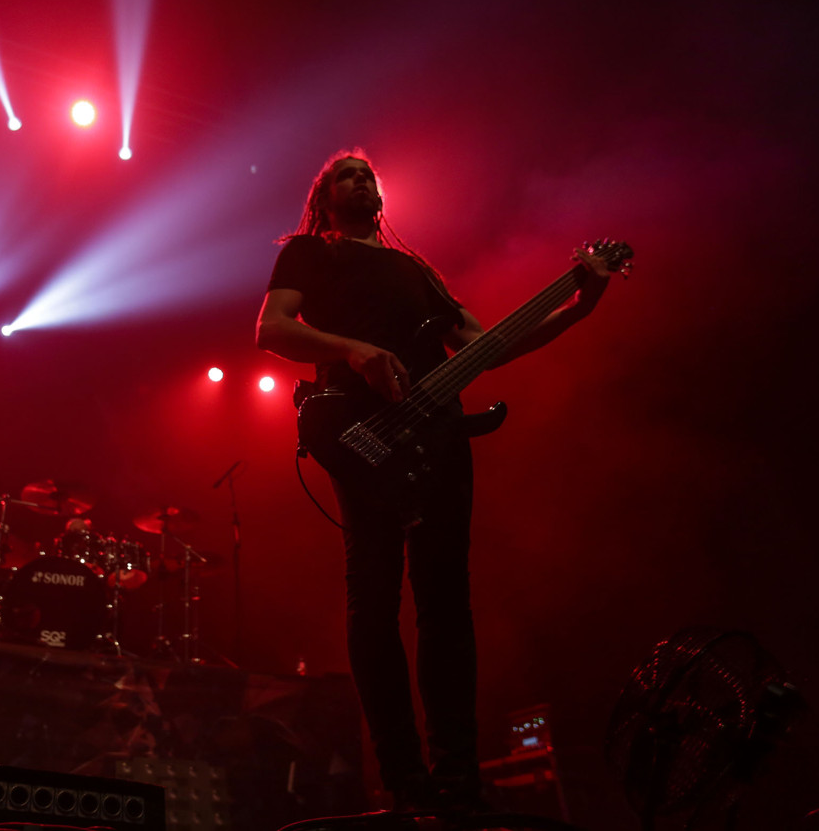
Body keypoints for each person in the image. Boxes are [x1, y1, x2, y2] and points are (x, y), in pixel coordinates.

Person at [255, 149, 614, 812]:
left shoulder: (414, 269)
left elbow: (486, 346)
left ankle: (456, 773)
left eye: (368, 174)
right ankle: (403, 776)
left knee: (447, 602)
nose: (361, 179)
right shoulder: (310, 253)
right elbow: (272, 329)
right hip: (361, 428)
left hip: (439, 434)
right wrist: (353, 350)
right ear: (324, 199)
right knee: (375, 595)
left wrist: (579, 306)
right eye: (346, 175)